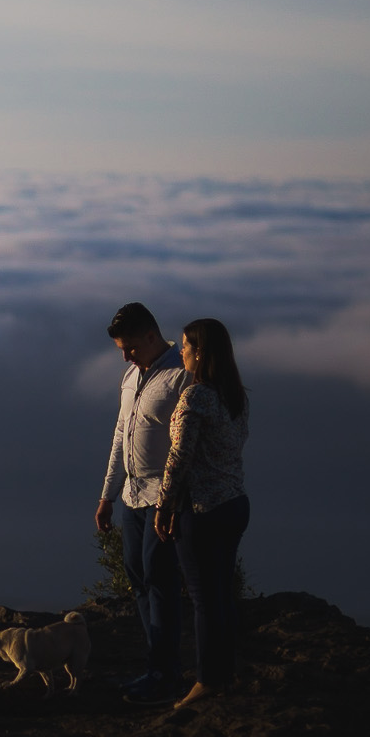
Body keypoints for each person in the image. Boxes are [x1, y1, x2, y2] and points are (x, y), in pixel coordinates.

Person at [94, 303, 191, 704]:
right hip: (131, 496)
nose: (125, 357)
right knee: (138, 575)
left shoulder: (181, 375)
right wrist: (107, 495)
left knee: (159, 577)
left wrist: (170, 500)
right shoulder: (131, 376)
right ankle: (157, 666)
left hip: (164, 497)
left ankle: (166, 672)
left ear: (151, 336)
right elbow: (122, 435)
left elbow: (186, 443)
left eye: (130, 347)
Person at [154, 318, 251, 710]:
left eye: (186, 346)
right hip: (235, 503)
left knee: (203, 598)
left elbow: (179, 457)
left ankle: (208, 680)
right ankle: (225, 674)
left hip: (202, 509)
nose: (181, 352)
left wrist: (164, 505)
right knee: (221, 594)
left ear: (201, 352)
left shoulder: (195, 398)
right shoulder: (236, 397)